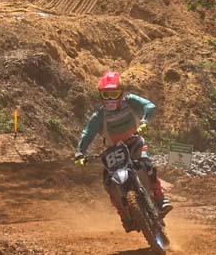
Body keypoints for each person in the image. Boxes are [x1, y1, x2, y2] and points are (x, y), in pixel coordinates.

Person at [74, 71, 172, 230]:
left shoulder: (130, 101)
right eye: (107, 95)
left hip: (134, 142)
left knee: (147, 165)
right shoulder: (99, 115)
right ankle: (124, 216)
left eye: (114, 94)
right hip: (114, 150)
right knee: (108, 182)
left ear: (122, 92)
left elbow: (149, 106)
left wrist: (145, 121)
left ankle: (161, 199)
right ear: (101, 95)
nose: (111, 99)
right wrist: (80, 152)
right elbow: (87, 133)